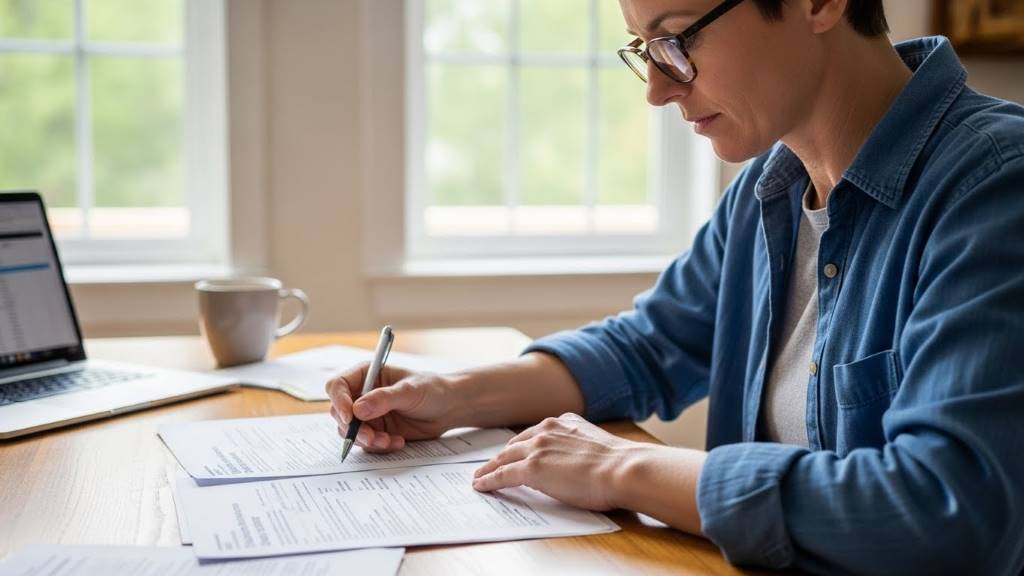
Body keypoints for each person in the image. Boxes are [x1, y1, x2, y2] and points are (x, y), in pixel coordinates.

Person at [327, 0, 1024, 573]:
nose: (659, 89)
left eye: (676, 39)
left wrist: (627, 468)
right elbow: (648, 348)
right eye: (645, 50)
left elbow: (948, 507)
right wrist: (449, 395)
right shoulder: (768, 189)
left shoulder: (995, 187)